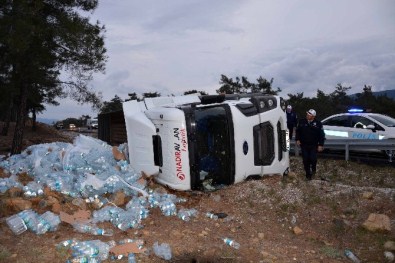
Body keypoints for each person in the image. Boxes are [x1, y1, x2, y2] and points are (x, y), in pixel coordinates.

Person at [295, 109, 325, 180]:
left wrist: (321, 145)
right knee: (305, 160)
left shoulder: (318, 124)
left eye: (309, 115)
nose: (307, 115)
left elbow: (322, 135)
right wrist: (297, 139)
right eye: (307, 114)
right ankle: (308, 175)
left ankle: (313, 169)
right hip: (304, 145)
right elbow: (298, 131)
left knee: (313, 159)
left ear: (313, 116)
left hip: (313, 145)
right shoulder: (302, 121)